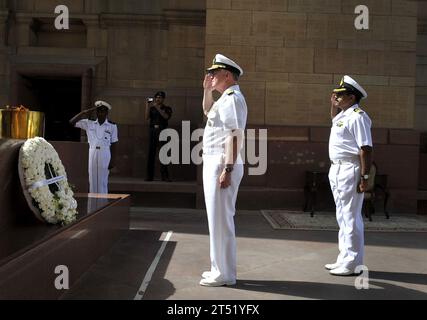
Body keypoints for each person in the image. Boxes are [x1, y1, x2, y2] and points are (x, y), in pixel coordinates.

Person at [199, 54, 248, 287]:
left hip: (222, 162)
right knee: (216, 220)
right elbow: (208, 112)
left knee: (222, 220)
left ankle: (225, 274)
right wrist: (207, 91)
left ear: (227, 75)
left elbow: (235, 134)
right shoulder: (224, 99)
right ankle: (218, 269)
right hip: (215, 162)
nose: (210, 75)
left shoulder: (233, 99)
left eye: (214, 73)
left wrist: (227, 169)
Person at [326, 75, 373, 276]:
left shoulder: (358, 116)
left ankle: (353, 262)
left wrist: (364, 177)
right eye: (335, 94)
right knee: (342, 216)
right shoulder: (343, 115)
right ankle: (344, 257)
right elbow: (334, 122)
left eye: (340, 95)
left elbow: (365, 148)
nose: (336, 97)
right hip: (337, 169)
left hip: (350, 169)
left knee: (351, 217)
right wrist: (333, 106)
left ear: (352, 97)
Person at [69, 100, 118, 194]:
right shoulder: (89, 123)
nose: (100, 113)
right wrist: (83, 113)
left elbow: (114, 143)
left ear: (107, 112)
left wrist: (113, 160)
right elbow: (71, 122)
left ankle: (103, 202)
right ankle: (93, 202)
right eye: (99, 111)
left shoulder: (112, 126)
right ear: (96, 112)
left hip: (105, 153)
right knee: (92, 178)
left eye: (103, 111)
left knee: (102, 179)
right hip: (92, 152)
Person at [145, 91, 173, 182]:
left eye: (160, 97)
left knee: (163, 154)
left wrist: (157, 107)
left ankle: (165, 176)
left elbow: (166, 117)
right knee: (151, 154)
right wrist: (147, 106)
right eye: (156, 97)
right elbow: (146, 117)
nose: (157, 99)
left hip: (163, 131)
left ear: (163, 99)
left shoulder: (167, 108)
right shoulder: (152, 108)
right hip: (153, 130)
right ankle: (149, 176)